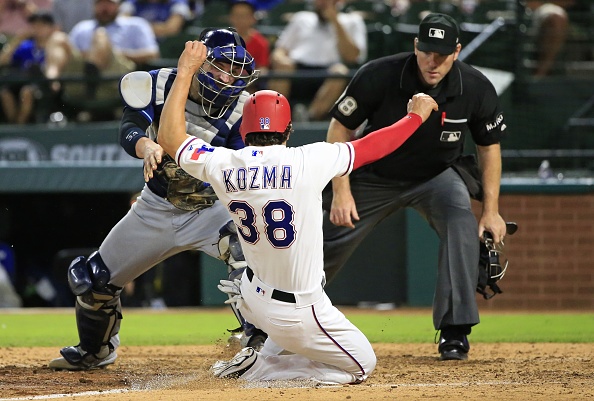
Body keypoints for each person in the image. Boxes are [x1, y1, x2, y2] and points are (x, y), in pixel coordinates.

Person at [156, 40, 437, 383]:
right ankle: (261, 369)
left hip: (253, 295)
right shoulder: (309, 159)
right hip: (297, 310)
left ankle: (260, 349)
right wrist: (415, 117)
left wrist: (185, 70)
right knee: (362, 365)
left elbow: (170, 137)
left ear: (244, 132)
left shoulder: (222, 162)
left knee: (278, 312)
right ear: (288, 130)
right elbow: (374, 145)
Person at [47, 27, 260, 371]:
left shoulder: (246, 107)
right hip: (157, 204)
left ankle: (257, 346)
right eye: (223, 67)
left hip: (212, 207)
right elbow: (130, 127)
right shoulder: (157, 82)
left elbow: (241, 166)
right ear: (200, 61)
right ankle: (95, 350)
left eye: (237, 71)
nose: (230, 78)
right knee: (94, 279)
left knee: (247, 260)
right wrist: (147, 146)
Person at [321, 12, 508, 361]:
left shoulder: (476, 87)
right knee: (322, 240)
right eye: (426, 51)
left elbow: (489, 148)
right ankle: (280, 314)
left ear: (457, 51)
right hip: (373, 174)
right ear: (415, 46)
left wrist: (492, 211)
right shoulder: (379, 74)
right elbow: (339, 130)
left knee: (462, 224)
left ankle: (454, 332)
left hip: (436, 176)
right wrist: (342, 191)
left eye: (441, 53)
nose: (432, 61)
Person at [43, 0, 160, 116]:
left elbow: (152, 54)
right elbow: (71, 54)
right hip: (82, 74)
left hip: (117, 74)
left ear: (118, 5)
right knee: (57, 38)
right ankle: (50, 82)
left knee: (101, 35)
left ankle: (91, 89)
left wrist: (114, 53)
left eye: (109, 4)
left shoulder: (135, 25)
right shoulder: (82, 27)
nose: (104, 8)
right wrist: (91, 54)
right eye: (100, 4)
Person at [268, 0, 367, 121]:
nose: (322, 3)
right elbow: (279, 50)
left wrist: (335, 21)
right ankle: (273, 117)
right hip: (297, 71)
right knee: (283, 67)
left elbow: (352, 56)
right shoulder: (302, 18)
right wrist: (281, 59)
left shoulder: (352, 21)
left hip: (328, 73)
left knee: (340, 73)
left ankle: (308, 118)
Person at [0, 10, 58, 124]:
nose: (38, 28)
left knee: (27, 92)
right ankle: (13, 124)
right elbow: (3, 61)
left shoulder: (55, 46)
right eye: (35, 25)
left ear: (51, 28)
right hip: (20, 82)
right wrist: (17, 40)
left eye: (42, 25)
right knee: (5, 93)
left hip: (41, 86)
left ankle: (21, 126)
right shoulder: (26, 46)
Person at [228, 0, 269, 90]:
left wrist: (247, 78)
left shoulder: (261, 42)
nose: (241, 20)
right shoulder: (223, 39)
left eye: (245, 16)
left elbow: (263, 68)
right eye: (237, 16)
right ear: (231, 17)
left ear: (253, 18)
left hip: (250, 87)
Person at [118, 0, 193, 41]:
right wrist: (159, 27)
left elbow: (171, 29)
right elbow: (121, 25)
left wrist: (137, 28)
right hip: (136, 44)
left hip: (163, 44)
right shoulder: (132, 2)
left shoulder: (177, 3)